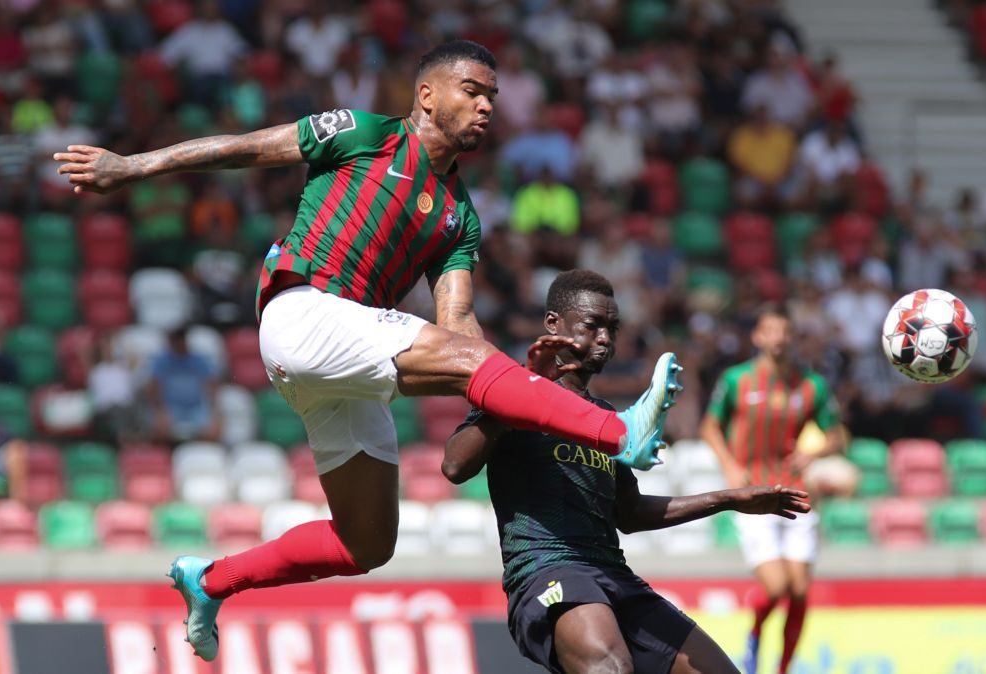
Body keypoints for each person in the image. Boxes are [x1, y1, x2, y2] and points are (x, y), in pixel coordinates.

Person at [54, 40, 678, 661]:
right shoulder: (362, 133)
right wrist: (133, 167)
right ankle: (617, 431)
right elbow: (245, 148)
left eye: (492, 95)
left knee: (367, 542)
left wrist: (515, 380)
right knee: (481, 370)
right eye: (473, 91)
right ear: (427, 96)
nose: (488, 105)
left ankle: (212, 580)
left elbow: (458, 323)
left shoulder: (459, 216)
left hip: (338, 360)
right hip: (303, 313)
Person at [444, 270, 811, 674]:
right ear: (553, 324)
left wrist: (726, 500)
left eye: (612, 328)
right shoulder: (513, 390)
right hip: (548, 571)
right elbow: (456, 465)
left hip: (613, 577)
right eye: (592, 325)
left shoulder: (603, 419)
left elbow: (630, 513)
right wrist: (521, 396)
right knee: (611, 669)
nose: (605, 338)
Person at [699, 305, 844, 674]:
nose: (778, 338)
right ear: (758, 336)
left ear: (792, 337)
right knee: (777, 586)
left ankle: (782, 668)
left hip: (796, 493)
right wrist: (731, 465)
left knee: (799, 592)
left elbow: (838, 434)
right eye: (771, 331)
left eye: (784, 331)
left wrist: (816, 452)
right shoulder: (736, 380)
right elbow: (710, 427)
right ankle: (755, 634)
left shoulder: (811, 384)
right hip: (755, 495)